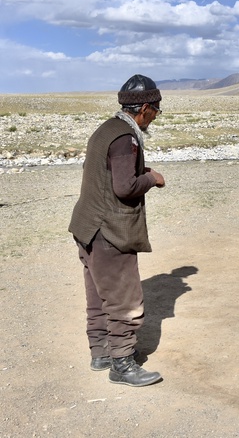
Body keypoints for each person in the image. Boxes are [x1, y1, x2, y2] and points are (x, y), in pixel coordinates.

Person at [68, 74, 166, 387]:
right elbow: (124, 188)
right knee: (124, 299)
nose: (155, 117)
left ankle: (101, 353)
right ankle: (122, 364)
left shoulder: (106, 129)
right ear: (145, 108)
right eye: (156, 110)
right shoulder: (126, 138)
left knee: (98, 296)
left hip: (87, 228)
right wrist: (152, 179)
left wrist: (139, 171)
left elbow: (105, 173)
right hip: (109, 232)